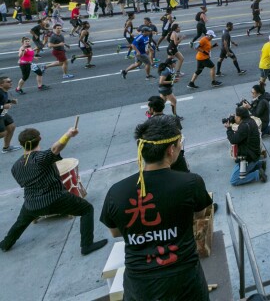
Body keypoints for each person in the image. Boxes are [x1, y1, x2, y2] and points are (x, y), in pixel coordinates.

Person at [100, 115, 212, 300]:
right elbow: (199, 214)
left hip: (140, 288)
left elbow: (115, 232)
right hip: (185, 283)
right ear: (170, 149)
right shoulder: (191, 183)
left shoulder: (116, 192)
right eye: (179, 143)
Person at [1, 126, 108, 254]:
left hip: (31, 204)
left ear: (21, 144)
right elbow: (55, 148)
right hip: (57, 199)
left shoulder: (15, 167)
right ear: (40, 139)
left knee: (21, 222)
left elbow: (24, 183)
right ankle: (86, 245)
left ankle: (6, 244)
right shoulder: (40, 158)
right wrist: (68, 134)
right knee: (87, 209)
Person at [224, 106, 267, 185]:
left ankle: (258, 174)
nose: (235, 117)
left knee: (234, 180)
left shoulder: (244, 126)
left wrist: (228, 128)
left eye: (236, 115)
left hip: (247, 159)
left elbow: (233, 140)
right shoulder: (251, 121)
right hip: (254, 154)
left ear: (240, 117)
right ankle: (259, 164)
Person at [0, 76, 21, 152]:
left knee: (11, 127)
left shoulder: (4, 91)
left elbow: (2, 101)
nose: (11, 83)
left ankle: (6, 148)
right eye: (8, 82)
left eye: (11, 81)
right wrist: (3, 106)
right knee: (2, 134)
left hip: (2, 114)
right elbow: (2, 104)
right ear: (1, 84)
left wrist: (10, 101)